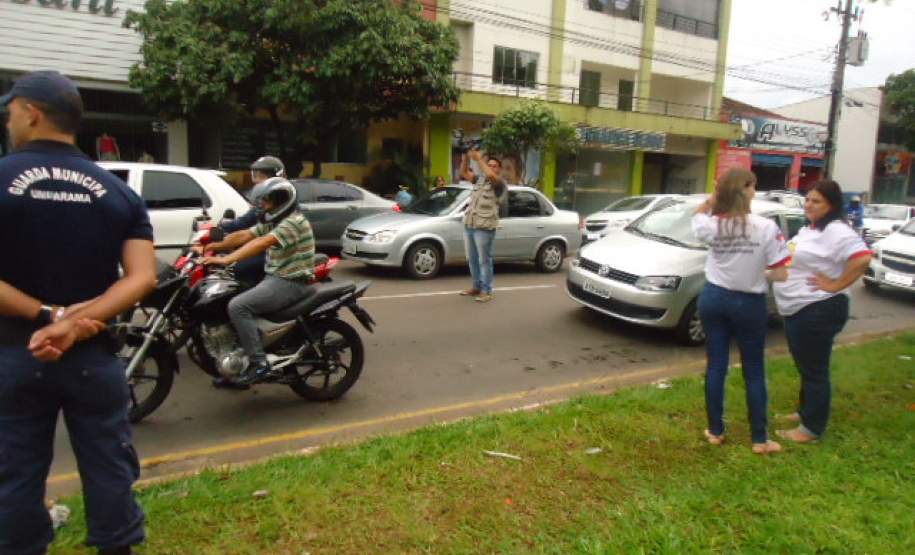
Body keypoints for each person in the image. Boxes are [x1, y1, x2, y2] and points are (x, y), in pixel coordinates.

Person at [0, 71, 156, 555]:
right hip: (93, 353)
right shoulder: (119, 191)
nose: (7, 122)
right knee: (109, 464)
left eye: (10, 112)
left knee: (15, 470)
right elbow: (141, 277)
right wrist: (72, 325)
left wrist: (48, 316)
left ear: (32, 113)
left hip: (15, 353)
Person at [692, 169, 791, 454]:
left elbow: (698, 214)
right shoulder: (767, 228)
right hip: (749, 303)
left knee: (716, 365)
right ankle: (759, 439)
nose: (755, 191)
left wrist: (713, 198)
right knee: (754, 369)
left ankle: (715, 431)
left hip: (713, 298)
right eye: (753, 187)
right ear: (747, 191)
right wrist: (759, 274)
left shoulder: (712, 225)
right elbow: (781, 274)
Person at [774, 180, 871, 444]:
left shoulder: (837, 231)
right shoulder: (810, 229)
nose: (808, 205)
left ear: (832, 205)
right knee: (806, 366)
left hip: (818, 308)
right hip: (799, 307)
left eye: (816, 201)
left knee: (815, 370)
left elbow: (862, 258)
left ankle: (811, 429)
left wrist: (835, 285)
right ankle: (805, 411)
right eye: (807, 199)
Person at [202, 177, 316, 385]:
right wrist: (213, 246)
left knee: (238, 306)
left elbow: (261, 243)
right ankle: (236, 365)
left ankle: (259, 363)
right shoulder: (275, 221)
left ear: (281, 201)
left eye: (267, 201)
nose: (262, 204)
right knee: (227, 297)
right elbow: (246, 235)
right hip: (274, 277)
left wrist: (226, 259)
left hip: (290, 282)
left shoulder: (294, 222)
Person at [460, 148, 507, 303]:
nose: (491, 167)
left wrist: (479, 159)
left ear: (499, 169)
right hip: (470, 224)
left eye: (494, 166)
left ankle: (486, 291)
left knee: (484, 260)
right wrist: (466, 157)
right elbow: (464, 173)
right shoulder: (480, 180)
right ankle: (476, 287)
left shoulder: (499, 183)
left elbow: (491, 176)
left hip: (485, 227)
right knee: (472, 259)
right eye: (489, 165)